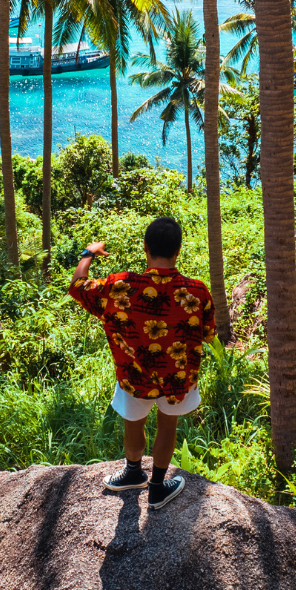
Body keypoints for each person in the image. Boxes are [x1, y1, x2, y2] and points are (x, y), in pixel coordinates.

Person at [69, 216, 216, 509]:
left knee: (133, 424)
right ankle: (158, 487)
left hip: (133, 376)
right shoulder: (197, 292)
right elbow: (209, 336)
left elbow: (77, 286)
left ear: (145, 248)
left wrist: (88, 253)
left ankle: (133, 473)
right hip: (177, 379)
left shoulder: (121, 285)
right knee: (168, 425)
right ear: (179, 249)